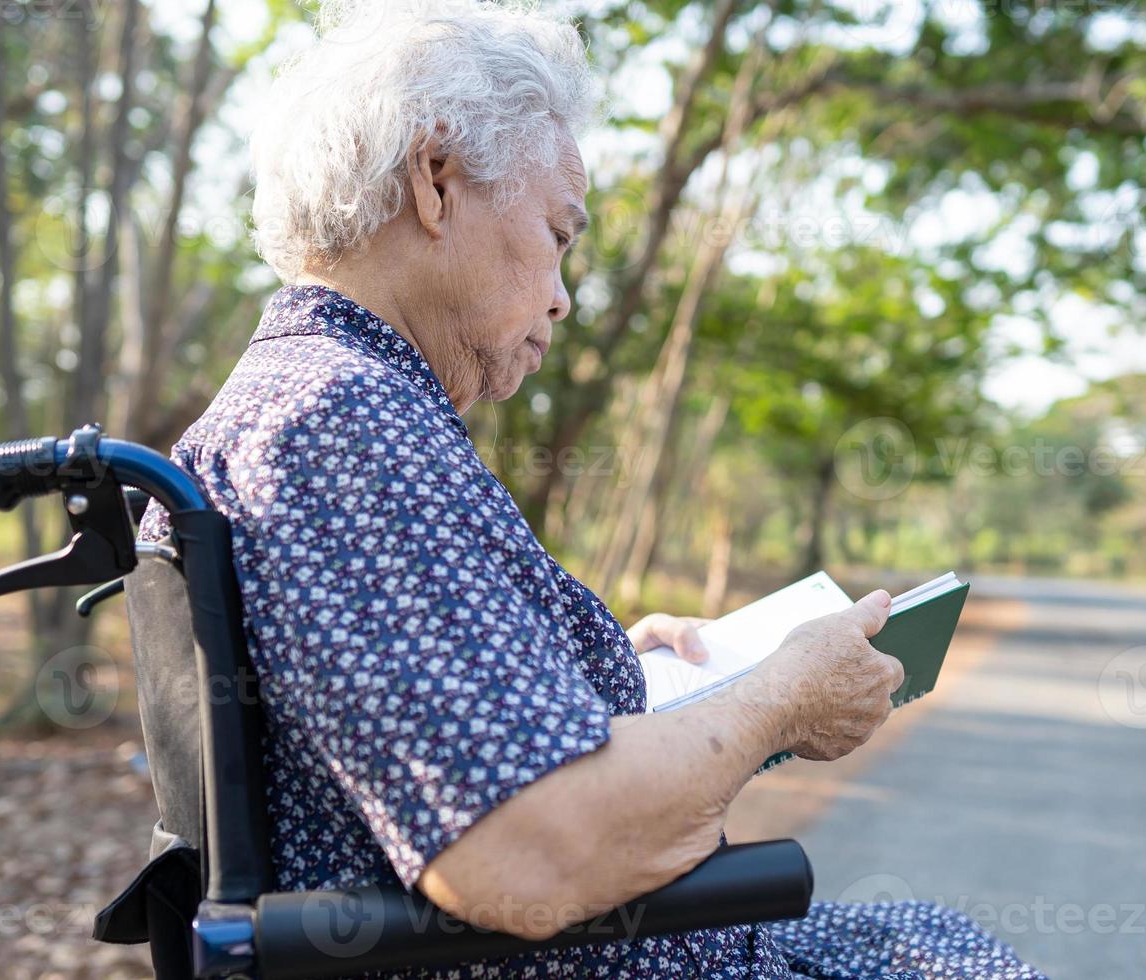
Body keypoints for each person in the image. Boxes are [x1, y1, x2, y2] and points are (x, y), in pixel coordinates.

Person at [137, 2, 1047, 976]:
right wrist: (781, 698)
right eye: (558, 235)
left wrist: (600, 671)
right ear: (435, 179)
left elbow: (427, 724)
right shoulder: (337, 430)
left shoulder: (318, 404)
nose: (564, 294)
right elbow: (529, 850)